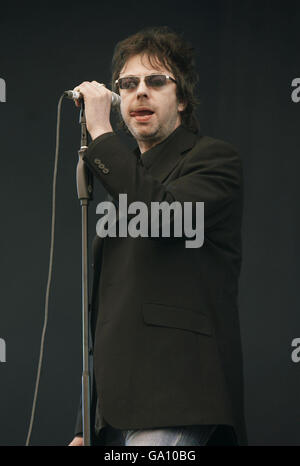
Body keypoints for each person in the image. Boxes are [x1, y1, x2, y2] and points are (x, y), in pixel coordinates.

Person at [68, 26, 248, 446]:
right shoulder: (125, 176)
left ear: (181, 98)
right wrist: (84, 423)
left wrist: (101, 133)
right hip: (112, 413)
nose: (139, 93)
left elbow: (165, 217)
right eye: (127, 85)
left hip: (178, 396)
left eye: (155, 81)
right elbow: (110, 315)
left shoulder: (213, 159)